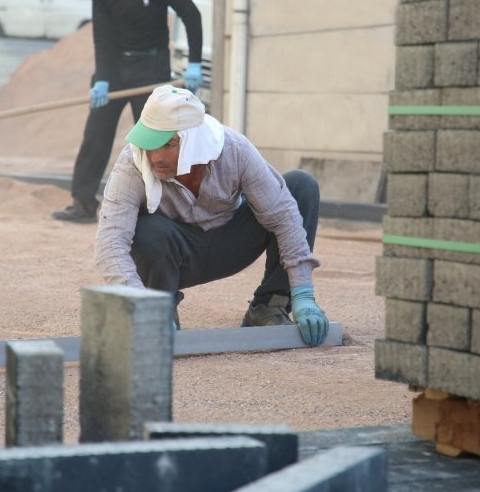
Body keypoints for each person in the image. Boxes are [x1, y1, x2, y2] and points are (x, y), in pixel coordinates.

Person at [95, 85, 330, 347]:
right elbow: (110, 244)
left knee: (300, 187)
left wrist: (303, 292)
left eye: (168, 144)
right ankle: (159, 311)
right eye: (149, 144)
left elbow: (284, 217)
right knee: (149, 231)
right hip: (175, 255)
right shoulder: (133, 164)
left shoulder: (235, 150)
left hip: (231, 245)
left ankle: (269, 306)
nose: (155, 156)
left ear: (192, 140)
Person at [52, 0, 204, 223]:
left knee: (154, 140)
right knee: (96, 134)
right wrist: (103, 78)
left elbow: (191, 14)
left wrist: (195, 62)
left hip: (152, 68)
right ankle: (82, 204)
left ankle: (163, 207)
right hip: (114, 70)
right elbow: (102, 38)